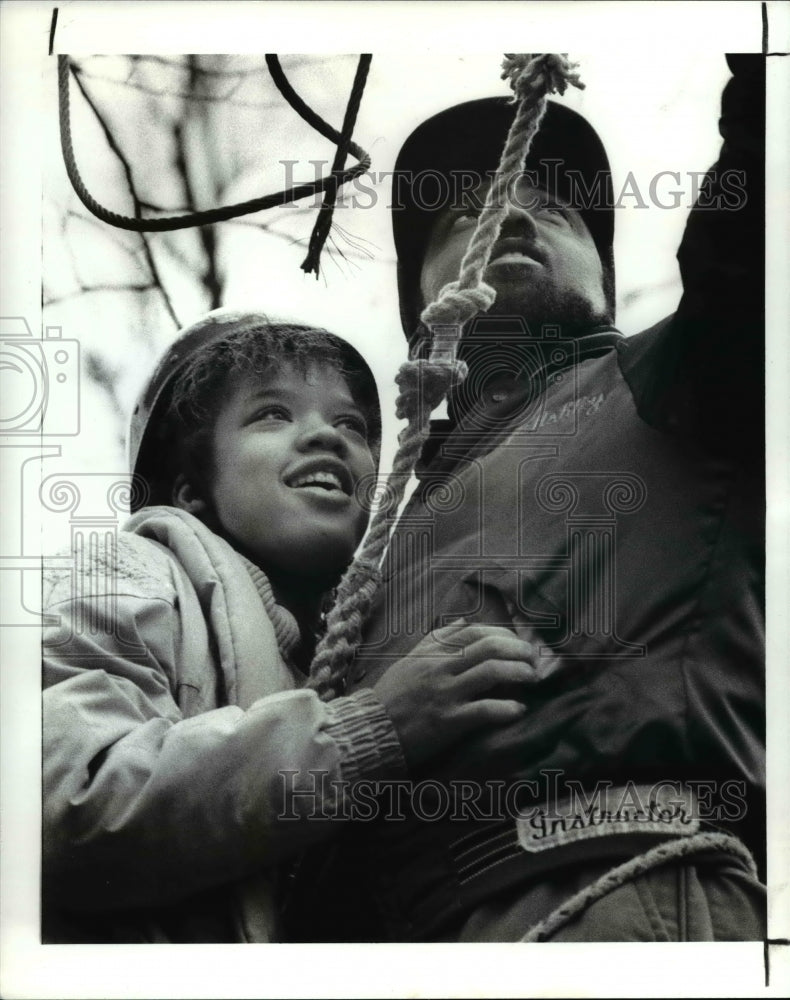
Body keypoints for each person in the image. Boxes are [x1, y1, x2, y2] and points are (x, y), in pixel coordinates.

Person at [292, 55, 766, 942]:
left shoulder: (688, 380)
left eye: (553, 208)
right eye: (461, 218)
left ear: (605, 277)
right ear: (423, 305)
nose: (508, 211)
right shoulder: (368, 542)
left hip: (620, 893)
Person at [41, 310, 544, 943]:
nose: (326, 437)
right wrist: (369, 731)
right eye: (273, 415)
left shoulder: (373, 650)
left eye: (352, 425)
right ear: (190, 489)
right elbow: (67, 806)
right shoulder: (126, 569)